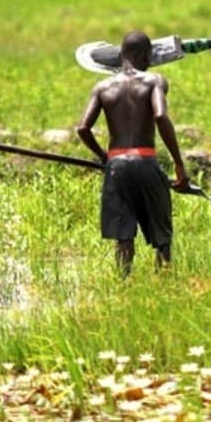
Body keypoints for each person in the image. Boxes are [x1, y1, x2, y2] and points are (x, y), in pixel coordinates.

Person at [77, 30, 190, 275]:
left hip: (116, 165)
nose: (150, 62)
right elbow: (160, 115)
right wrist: (179, 164)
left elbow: (83, 128)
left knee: (123, 236)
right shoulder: (154, 81)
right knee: (162, 236)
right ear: (142, 55)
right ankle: (163, 282)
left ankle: (123, 283)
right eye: (149, 57)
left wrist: (104, 156)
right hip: (146, 160)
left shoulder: (102, 86)